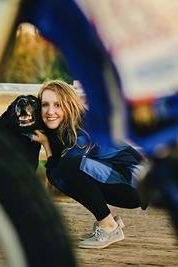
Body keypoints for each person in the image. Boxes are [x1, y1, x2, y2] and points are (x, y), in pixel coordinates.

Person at [31, 79, 147, 249]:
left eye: (57, 105)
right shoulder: (64, 130)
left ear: (68, 105)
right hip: (123, 180)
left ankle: (108, 227)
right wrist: (47, 144)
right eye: (45, 105)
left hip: (137, 184)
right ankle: (109, 222)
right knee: (59, 170)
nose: (50, 111)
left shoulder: (82, 132)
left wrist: (47, 146)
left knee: (67, 167)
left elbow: (65, 169)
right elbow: (55, 173)